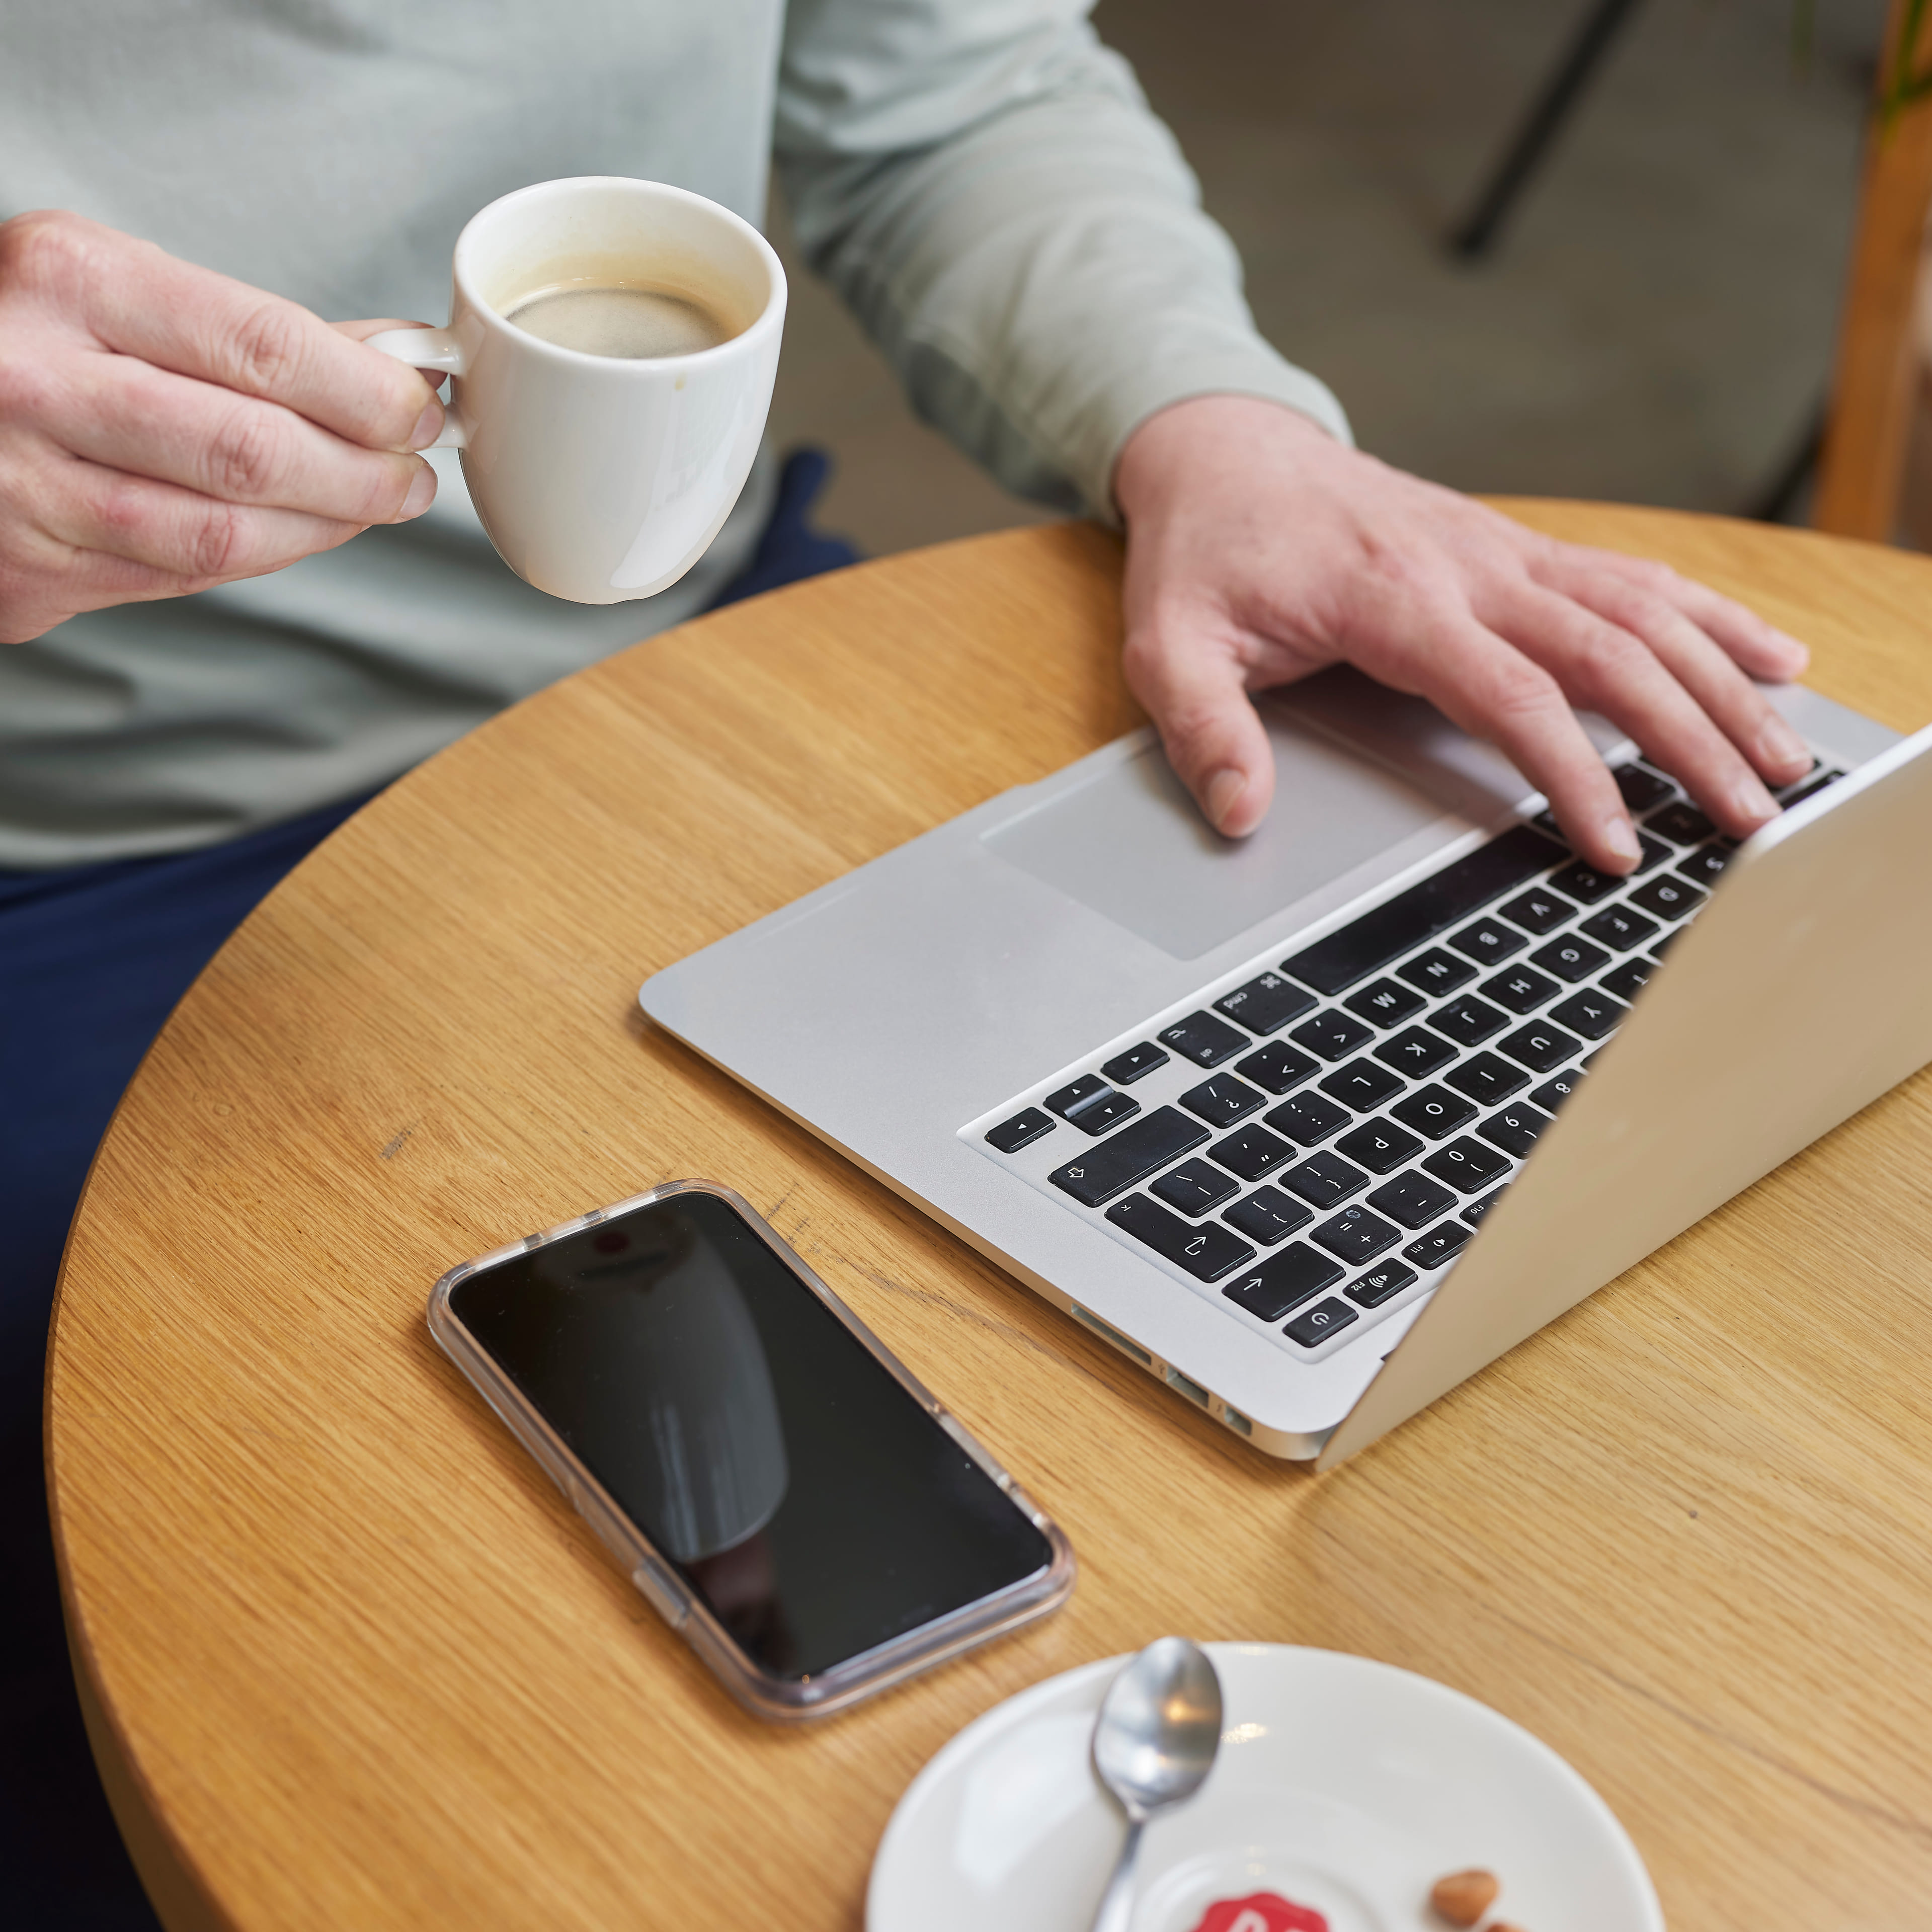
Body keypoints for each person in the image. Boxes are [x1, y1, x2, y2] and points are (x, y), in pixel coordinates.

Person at [0, 1, 1813, 1921]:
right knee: (253, 1642)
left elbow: (958, 83)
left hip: (685, 671)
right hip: (94, 835)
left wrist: (1216, 425)